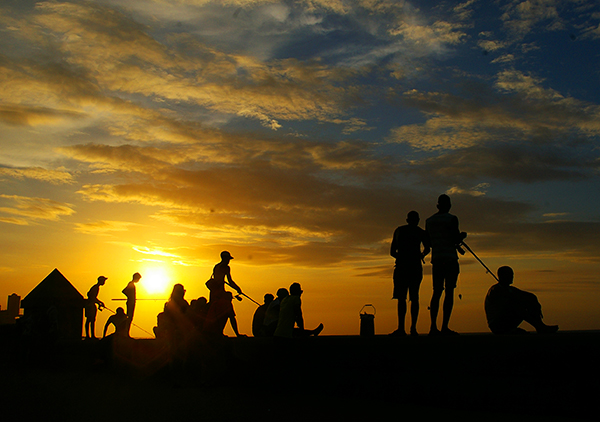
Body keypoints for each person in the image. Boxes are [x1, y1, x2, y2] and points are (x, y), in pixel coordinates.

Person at [426, 194, 466, 336]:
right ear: (449, 205)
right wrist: (462, 236)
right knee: (449, 292)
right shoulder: (452, 219)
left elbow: (428, 242)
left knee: (436, 292)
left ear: (438, 205)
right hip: (449, 259)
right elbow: (455, 239)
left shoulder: (429, 221)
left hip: (436, 259)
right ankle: (444, 327)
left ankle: (433, 327)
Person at [390, 211, 430, 336]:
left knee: (401, 298)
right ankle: (413, 328)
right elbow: (427, 248)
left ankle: (401, 328)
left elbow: (392, 251)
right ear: (417, 220)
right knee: (414, 297)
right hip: (415, 267)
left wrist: (401, 257)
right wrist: (420, 256)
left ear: (407, 220)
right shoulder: (420, 232)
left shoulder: (399, 231)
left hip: (401, 267)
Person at [485, 266, 558, 335]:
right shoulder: (495, 290)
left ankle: (540, 325)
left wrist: (534, 303)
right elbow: (509, 301)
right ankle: (539, 326)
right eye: (509, 275)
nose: (512, 277)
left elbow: (530, 296)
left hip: (506, 321)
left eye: (512, 274)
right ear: (502, 276)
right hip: (497, 324)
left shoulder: (511, 289)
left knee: (528, 301)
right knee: (516, 306)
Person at [84, 276, 107, 340]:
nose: (104, 282)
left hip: (90, 305)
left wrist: (99, 303)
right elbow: (92, 297)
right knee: (90, 320)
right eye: (104, 281)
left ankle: (90, 336)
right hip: (90, 305)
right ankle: (89, 336)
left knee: (91, 320)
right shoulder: (96, 287)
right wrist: (100, 302)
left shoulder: (96, 287)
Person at [122, 272, 141, 336]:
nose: (138, 280)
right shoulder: (131, 284)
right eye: (138, 279)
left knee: (130, 318)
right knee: (129, 318)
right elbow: (124, 291)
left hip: (132, 302)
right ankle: (126, 332)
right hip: (130, 303)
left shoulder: (132, 284)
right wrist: (129, 297)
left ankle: (127, 333)